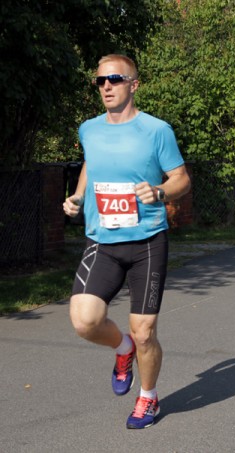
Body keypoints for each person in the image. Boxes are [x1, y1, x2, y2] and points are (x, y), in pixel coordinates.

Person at [62, 54, 191, 429]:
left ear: (134, 85)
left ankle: (148, 399)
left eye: (115, 79)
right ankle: (122, 349)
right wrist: (78, 196)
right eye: (100, 81)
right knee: (85, 321)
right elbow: (91, 163)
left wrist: (161, 193)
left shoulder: (157, 131)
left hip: (147, 241)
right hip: (102, 241)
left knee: (145, 330)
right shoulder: (89, 129)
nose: (106, 86)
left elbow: (181, 178)